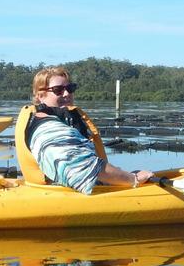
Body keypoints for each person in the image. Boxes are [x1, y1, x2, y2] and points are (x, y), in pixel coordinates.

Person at [26, 66, 155, 194]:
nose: (66, 94)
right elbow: (84, 167)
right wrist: (133, 179)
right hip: (62, 196)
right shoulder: (48, 129)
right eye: (58, 90)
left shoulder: (54, 121)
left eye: (70, 88)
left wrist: (122, 175)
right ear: (40, 95)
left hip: (60, 190)